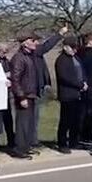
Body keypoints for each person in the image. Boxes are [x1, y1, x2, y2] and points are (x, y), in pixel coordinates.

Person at [10, 27, 67, 156]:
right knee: (22, 124)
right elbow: (16, 80)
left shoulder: (31, 56)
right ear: (25, 42)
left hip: (32, 93)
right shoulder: (19, 58)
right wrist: (21, 97)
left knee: (29, 123)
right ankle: (19, 149)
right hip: (24, 95)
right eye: (33, 40)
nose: (36, 43)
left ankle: (27, 146)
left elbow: (46, 47)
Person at [54, 36, 87, 154]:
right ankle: (62, 143)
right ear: (65, 47)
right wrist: (79, 85)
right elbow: (64, 78)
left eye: (75, 48)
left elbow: (82, 72)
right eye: (72, 48)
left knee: (76, 120)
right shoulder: (61, 60)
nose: (74, 50)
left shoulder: (77, 58)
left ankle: (74, 141)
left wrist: (84, 82)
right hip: (67, 94)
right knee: (66, 120)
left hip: (78, 93)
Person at [0, 42, 15, 149]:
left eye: (6, 52)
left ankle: (11, 141)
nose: (4, 54)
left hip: (6, 93)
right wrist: (4, 75)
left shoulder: (6, 60)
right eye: (2, 51)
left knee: (8, 119)